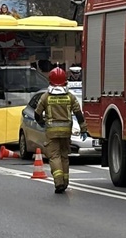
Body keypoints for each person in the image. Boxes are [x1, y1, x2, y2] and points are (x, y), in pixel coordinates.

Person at [34, 66, 88, 194]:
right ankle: (65, 181)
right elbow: (78, 114)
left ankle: (59, 183)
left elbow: (37, 114)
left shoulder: (46, 97)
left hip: (51, 133)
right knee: (64, 156)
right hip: (66, 132)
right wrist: (83, 129)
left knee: (54, 156)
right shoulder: (70, 97)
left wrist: (42, 123)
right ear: (65, 81)